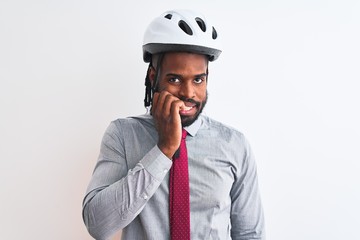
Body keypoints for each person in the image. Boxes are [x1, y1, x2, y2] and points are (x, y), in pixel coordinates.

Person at [82, 9, 265, 240]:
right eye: (174, 79)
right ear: (153, 77)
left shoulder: (234, 145)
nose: (188, 93)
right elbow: (98, 225)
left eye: (198, 79)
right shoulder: (122, 135)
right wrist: (164, 149)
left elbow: (250, 234)